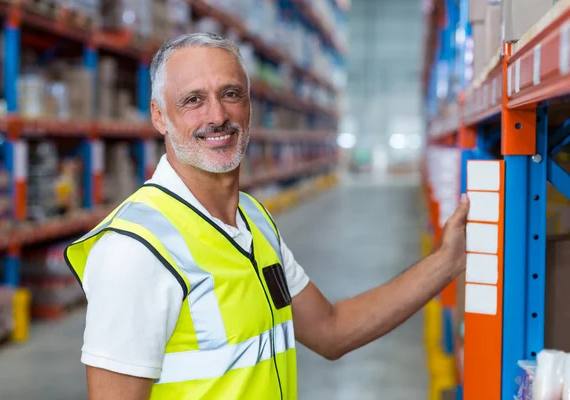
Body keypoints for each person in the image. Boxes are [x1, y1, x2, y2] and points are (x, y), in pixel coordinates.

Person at [64, 32, 469, 400]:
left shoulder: (253, 219)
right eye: (193, 100)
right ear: (158, 116)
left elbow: (332, 330)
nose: (217, 116)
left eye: (231, 94)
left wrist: (445, 262)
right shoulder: (135, 250)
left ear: (249, 107)